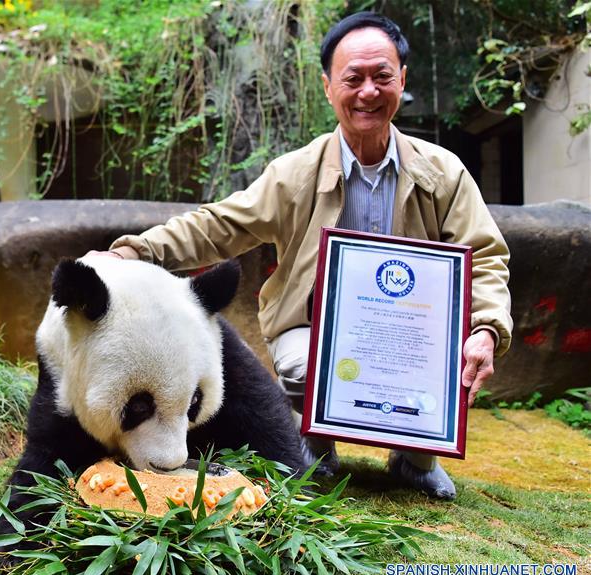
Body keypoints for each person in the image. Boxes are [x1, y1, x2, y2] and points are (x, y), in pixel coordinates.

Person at [88, 12, 512, 500]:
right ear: (329, 86)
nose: (368, 91)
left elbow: (485, 255)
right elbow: (222, 224)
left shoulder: (444, 173)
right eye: (353, 78)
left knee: (448, 362)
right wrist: (136, 250)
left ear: (403, 80)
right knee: (305, 366)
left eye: (382, 76)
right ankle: (315, 442)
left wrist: (485, 329)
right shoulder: (296, 173)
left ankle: (416, 460)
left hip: (412, 335)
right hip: (315, 327)